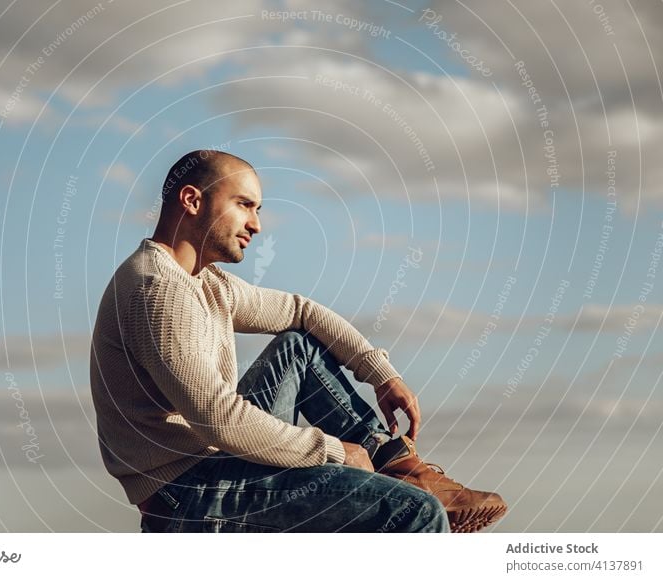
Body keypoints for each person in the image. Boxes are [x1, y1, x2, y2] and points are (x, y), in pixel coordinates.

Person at [90, 149, 506, 533]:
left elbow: (299, 311)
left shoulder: (203, 282)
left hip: (213, 465)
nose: (256, 224)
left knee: (298, 349)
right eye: (244, 205)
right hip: (187, 496)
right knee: (415, 512)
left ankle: (400, 465)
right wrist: (335, 452)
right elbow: (218, 418)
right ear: (192, 200)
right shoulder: (157, 290)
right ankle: (411, 487)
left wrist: (380, 373)